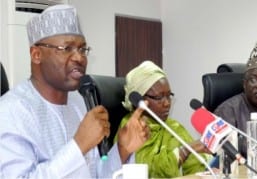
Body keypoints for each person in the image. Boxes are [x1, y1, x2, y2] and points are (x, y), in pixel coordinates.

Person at [0, 4, 149, 179]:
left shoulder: (79, 103)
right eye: (67, 48)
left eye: (82, 49)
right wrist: (79, 145)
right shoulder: (11, 112)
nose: (79, 57)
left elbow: (96, 175)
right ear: (36, 55)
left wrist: (123, 149)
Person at [114, 60, 212, 178]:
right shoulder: (132, 128)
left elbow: (195, 165)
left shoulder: (173, 126)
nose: (167, 103)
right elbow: (148, 170)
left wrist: (209, 171)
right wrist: (185, 151)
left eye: (168, 96)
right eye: (159, 97)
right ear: (138, 100)